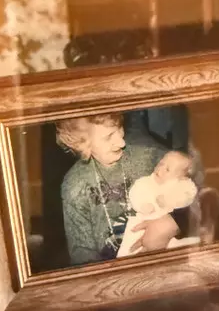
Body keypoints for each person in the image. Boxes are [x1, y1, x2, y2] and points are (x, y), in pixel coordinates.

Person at [56, 113, 183, 266]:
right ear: (82, 144)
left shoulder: (148, 156)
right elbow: (82, 255)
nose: (122, 142)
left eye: (119, 128)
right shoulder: (74, 185)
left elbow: (198, 188)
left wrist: (174, 222)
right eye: (108, 137)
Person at [129, 150, 198, 220]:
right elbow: (134, 193)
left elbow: (188, 196)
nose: (160, 169)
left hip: (169, 219)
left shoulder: (182, 186)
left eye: (167, 169)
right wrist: (141, 206)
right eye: (161, 164)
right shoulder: (147, 181)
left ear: (182, 178)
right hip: (143, 219)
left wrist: (168, 200)